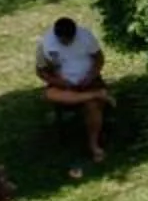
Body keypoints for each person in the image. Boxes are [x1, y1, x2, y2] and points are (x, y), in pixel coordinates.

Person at [36, 14, 111, 161]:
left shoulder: (86, 37)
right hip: (64, 84)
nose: (67, 42)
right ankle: (96, 94)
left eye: (69, 39)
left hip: (88, 81)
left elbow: (99, 59)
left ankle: (94, 145)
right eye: (63, 40)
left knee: (93, 107)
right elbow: (41, 72)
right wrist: (61, 82)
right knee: (49, 94)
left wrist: (90, 76)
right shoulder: (45, 44)